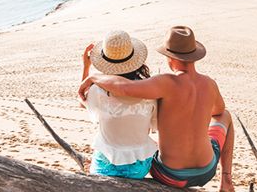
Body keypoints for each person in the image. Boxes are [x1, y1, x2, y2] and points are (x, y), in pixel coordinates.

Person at [79, 26, 235, 191]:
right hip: (207, 170)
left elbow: (125, 88)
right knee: (226, 115)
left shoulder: (164, 83)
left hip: (169, 175)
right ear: (194, 55)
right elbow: (218, 112)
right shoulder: (210, 84)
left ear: (170, 57)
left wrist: (93, 76)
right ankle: (226, 180)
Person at [80, 30, 157, 179]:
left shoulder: (97, 91)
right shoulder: (149, 91)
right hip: (139, 167)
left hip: (106, 167)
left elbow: (83, 100)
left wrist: (86, 67)